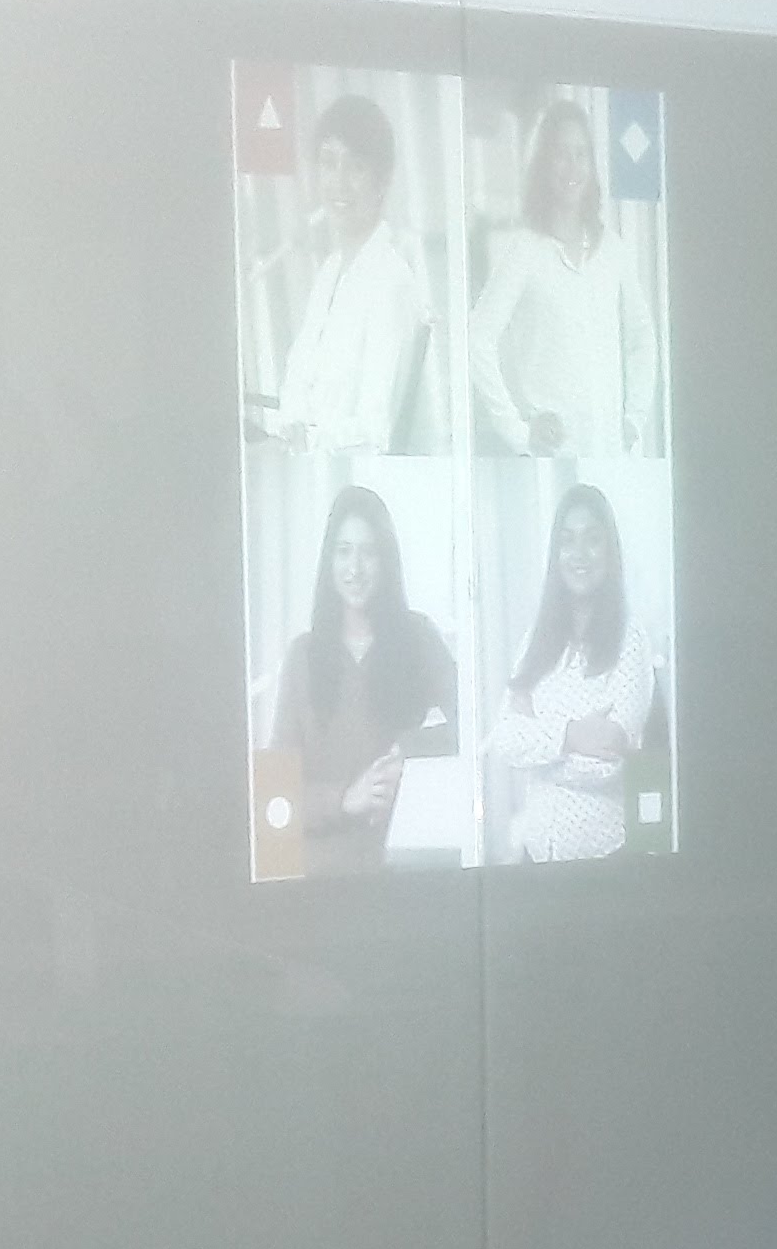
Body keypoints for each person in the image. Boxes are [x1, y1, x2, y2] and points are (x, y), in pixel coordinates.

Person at [267, 486, 458, 876]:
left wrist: (408, 748)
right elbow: (275, 799)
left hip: (398, 870)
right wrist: (345, 799)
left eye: (368, 552)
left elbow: (477, 725)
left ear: (386, 560)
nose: (354, 568)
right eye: (344, 551)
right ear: (329, 561)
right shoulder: (302, 656)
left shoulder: (417, 639)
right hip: (315, 879)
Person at [469, 98, 659, 461]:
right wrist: (517, 429)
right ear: (543, 164)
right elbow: (477, 338)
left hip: (607, 458)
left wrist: (633, 419)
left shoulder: (612, 250)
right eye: (560, 154)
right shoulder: (525, 250)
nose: (572, 166)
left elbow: (642, 338)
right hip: (552, 461)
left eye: (581, 154)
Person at [483, 484, 655, 865]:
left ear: (610, 551)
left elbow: (609, 765)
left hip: (605, 860)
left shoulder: (631, 639)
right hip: (535, 854)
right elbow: (504, 739)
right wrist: (573, 735)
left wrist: (537, 741)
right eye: (567, 541)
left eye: (592, 540)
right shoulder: (538, 637)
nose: (579, 554)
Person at [274, 96, 435, 457]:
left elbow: (374, 431)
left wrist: (306, 442)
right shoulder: (330, 272)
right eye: (329, 163)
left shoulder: (390, 282)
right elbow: (296, 385)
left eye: (356, 167)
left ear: (382, 181)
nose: (339, 183)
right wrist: (287, 431)